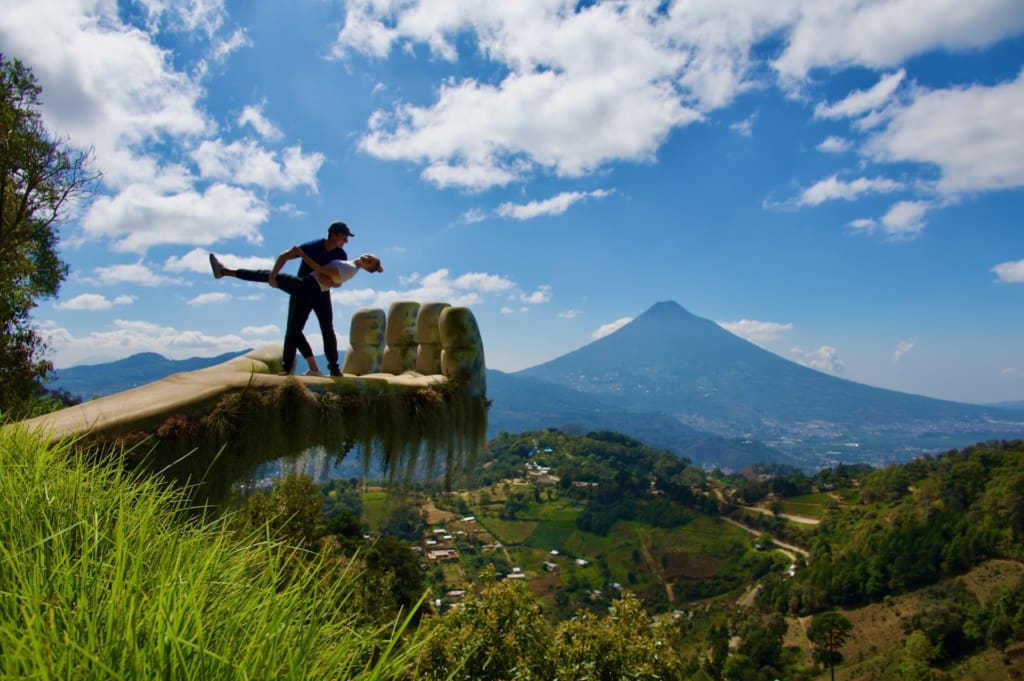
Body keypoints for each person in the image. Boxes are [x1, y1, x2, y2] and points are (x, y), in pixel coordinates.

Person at [209, 250, 384, 376]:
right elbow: (329, 278)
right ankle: (315, 368)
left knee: (269, 276)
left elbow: (322, 271)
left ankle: (225, 271)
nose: (366, 257)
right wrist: (333, 283)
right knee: (295, 330)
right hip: (312, 288)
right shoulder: (349, 265)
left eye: (370, 261)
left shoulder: (349, 269)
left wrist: (301, 253)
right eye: (369, 256)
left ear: (368, 268)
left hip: (308, 286)